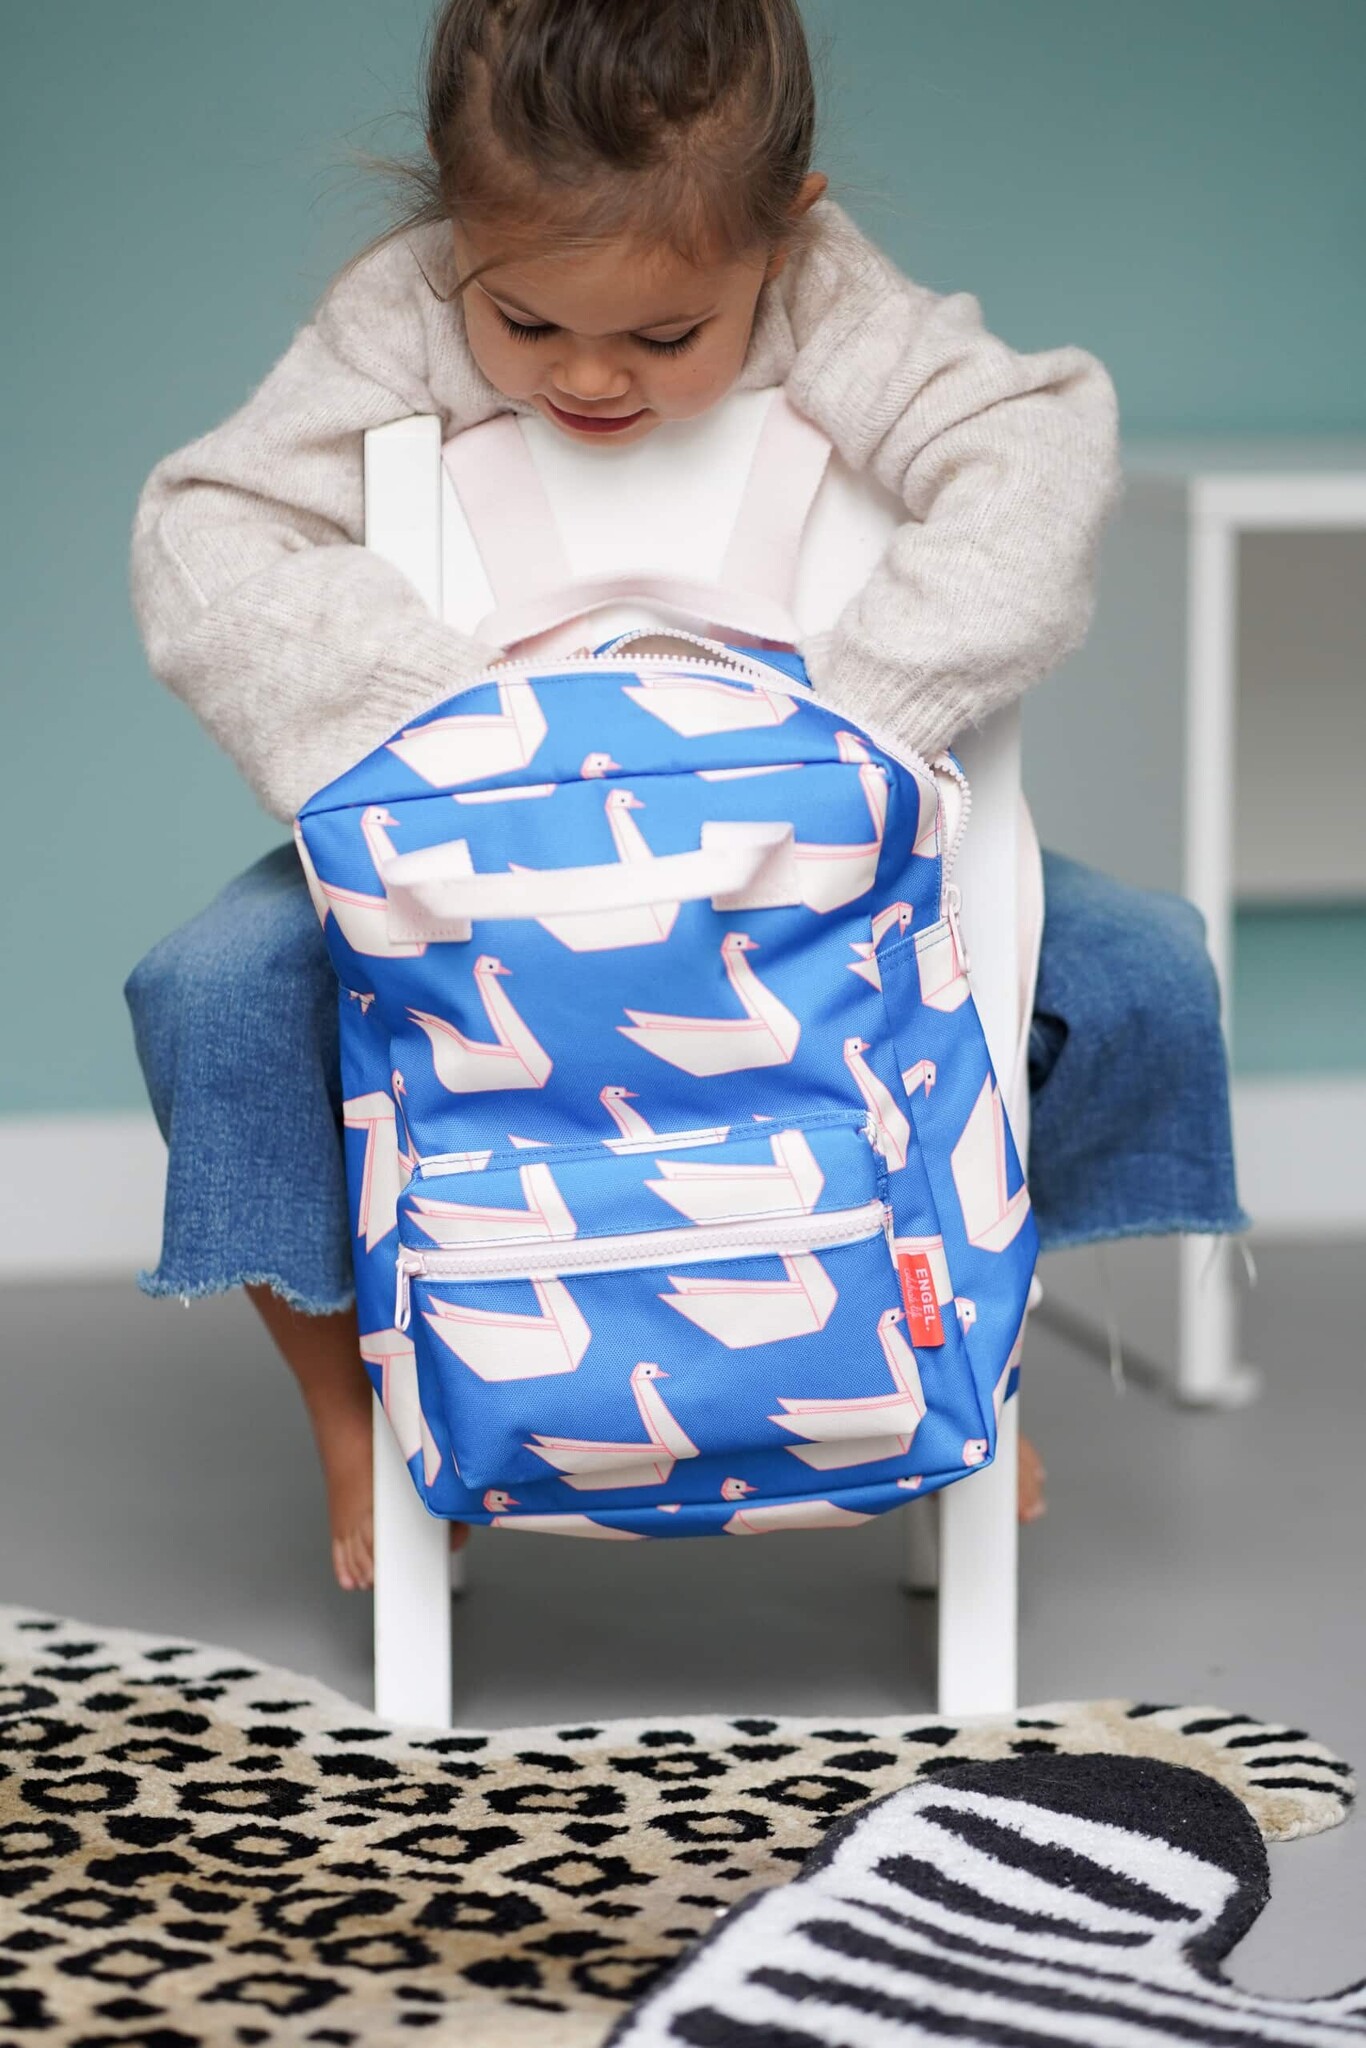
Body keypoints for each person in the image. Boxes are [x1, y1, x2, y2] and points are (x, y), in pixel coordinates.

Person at [126, 0, 1244, 1592]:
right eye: (525, 323)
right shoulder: (399, 310)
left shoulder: (830, 297)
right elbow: (207, 526)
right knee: (211, 994)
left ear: (779, 239)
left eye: (664, 339)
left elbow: (1039, 445)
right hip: (474, 852)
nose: (590, 375)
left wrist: (855, 724)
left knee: (1137, 969)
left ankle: (947, 1323)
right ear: (454, 238)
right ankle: (356, 1404)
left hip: (811, 858)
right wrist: (438, 736)